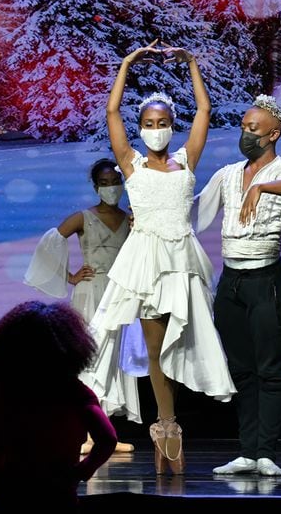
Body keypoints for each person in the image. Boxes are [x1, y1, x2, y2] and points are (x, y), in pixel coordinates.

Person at [90, 39, 236, 476]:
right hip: (147, 259)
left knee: (188, 338)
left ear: (172, 125)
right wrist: (127, 64)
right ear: (142, 127)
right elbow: (113, 113)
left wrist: (191, 63)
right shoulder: (130, 163)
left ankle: (169, 424)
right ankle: (166, 425)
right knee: (155, 348)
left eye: (163, 121)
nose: (156, 127)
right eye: (150, 122)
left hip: (183, 259)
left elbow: (205, 112)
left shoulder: (186, 160)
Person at [198, 95, 281, 476]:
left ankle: (265, 451)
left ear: (273, 134)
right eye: (244, 127)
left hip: (264, 278)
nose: (246, 134)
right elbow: (196, 209)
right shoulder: (229, 174)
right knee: (242, 368)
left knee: (269, 367)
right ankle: (247, 451)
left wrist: (263, 188)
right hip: (231, 279)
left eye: (254, 129)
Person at [23, 158, 140, 454]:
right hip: (91, 292)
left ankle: (105, 432)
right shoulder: (83, 218)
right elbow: (48, 246)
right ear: (95, 186)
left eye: (115, 182)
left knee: (114, 359)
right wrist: (70, 276)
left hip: (120, 292)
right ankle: (88, 433)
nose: (111, 188)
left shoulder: (129, 218)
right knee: (91, 357)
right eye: (104, 183)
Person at [0, 300, 117, 511]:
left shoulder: (3, 391)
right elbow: (107, 439)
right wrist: (80, 472)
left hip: (13, 494)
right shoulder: (74, 392)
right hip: (59, 496)